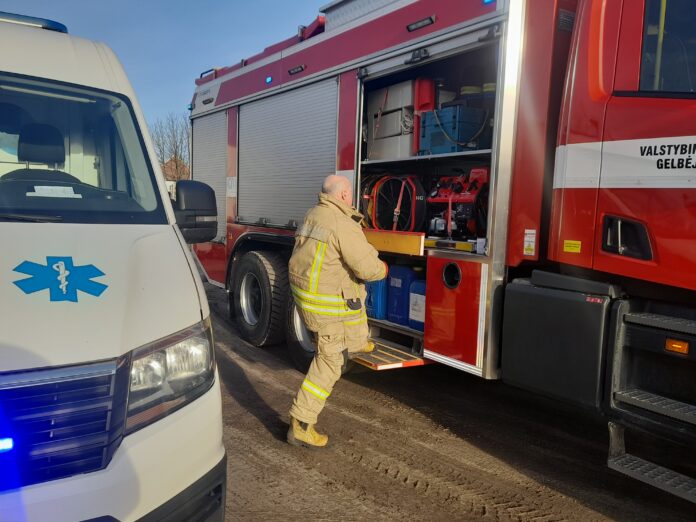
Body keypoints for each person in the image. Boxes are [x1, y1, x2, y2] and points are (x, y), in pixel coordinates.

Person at [287, 174, 387, 448]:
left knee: (352, 300)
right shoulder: (341, 223)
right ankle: (301, 423)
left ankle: (357, 341)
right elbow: (368, 268)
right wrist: (383, 268)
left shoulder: (313, 214)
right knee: (330, 362)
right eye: (351, 193)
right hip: (326, 304)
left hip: (309, 298)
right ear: (343, 195)